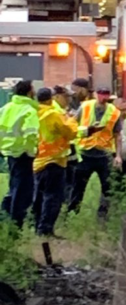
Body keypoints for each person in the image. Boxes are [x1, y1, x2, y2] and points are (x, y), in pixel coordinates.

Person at [68, 87, 125, 218]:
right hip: (84, 153)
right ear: (95, 95)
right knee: (78, 187)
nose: (103, 97)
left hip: (104, 155)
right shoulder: (85, 107)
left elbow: (117, 135)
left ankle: (103, 215)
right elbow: (72, 124)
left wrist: (118, 156)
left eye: (105, 94)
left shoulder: (114, 112)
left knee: (107, 188)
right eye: (100, 94)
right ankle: (72, 214)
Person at [32, 88, 78, 236]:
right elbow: (70, 133)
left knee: (39, 196)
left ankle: (37, 226)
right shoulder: (54, 114)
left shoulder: (34, 111)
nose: (68, 100)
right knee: (53, 197)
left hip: (37, 160)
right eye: (66, 97)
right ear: (53, 98)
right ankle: (45, 230)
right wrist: (71, 119)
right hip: (54, 160)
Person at [0, 80, 40, 226]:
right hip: (23, 154)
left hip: (10, 152)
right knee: (23, 191)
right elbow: (31, 135)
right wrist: (32, 151)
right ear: (30, 92)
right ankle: (16, 224)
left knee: (14, 186)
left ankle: (4, 217)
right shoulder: (29, 110)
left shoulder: (6, 108)